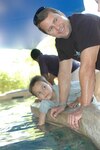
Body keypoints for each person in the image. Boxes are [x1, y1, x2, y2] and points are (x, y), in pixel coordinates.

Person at [33, 7, 100, 129]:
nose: (57, 28)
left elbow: (88, 68)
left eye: (55, 20)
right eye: (50, 29)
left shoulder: (85, 23)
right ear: (49, 34)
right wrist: (62, 104)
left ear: (61, 13)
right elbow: (64, 74)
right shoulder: (60, 43)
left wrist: (85, 107)